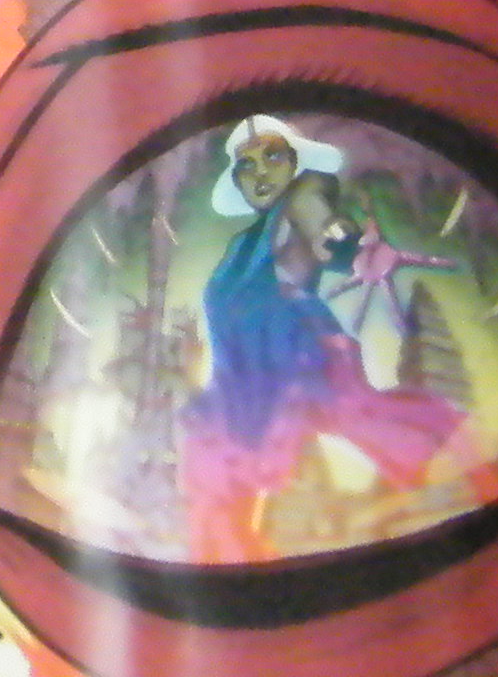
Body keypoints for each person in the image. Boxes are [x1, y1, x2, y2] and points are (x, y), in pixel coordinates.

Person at [181, 116, 466, 564]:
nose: (259, 172)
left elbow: (324, 229)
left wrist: (349, 246)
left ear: (296, 163)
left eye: (273, 156)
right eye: (246, 165)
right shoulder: (242, 245)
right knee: (219, 465)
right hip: (240, 372)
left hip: (296, 348)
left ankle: (467, 470)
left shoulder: (302, 197)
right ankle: (234, 567)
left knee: (364, 417)